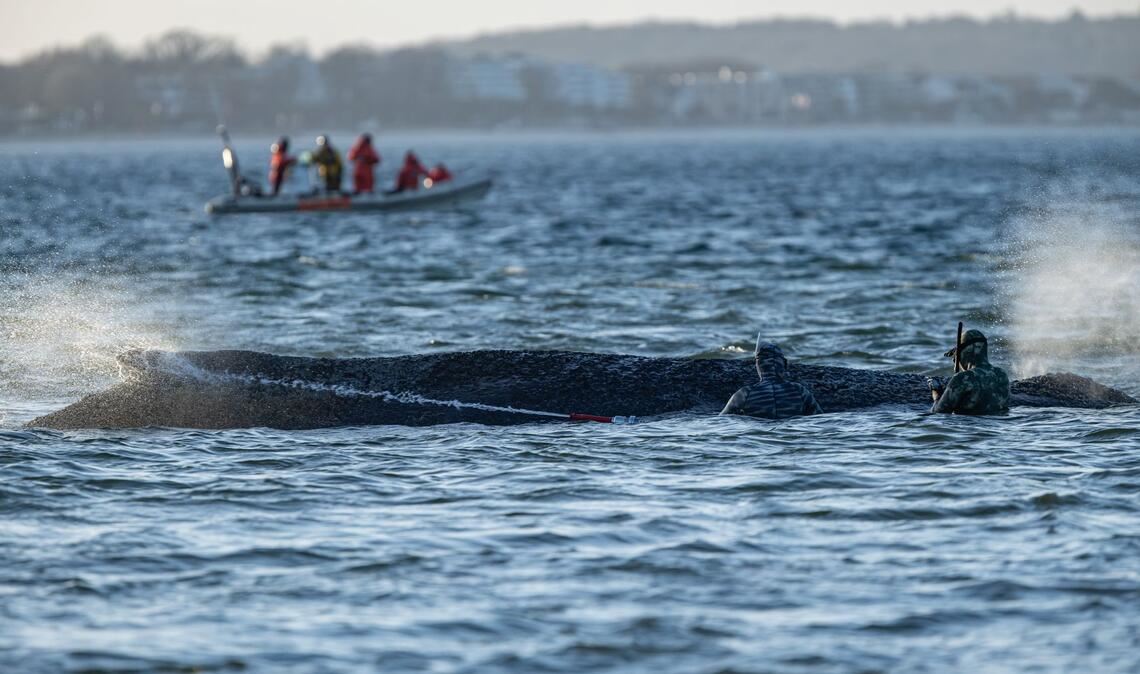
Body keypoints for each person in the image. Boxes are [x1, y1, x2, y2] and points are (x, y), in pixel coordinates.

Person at [721, 338, 823, 419]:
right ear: (784, 364)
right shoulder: (799, 390)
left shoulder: (745, 393)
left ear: (758, 366)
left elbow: (722, 421)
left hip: (760, 440)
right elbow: (819, 419)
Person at [927, 328, 1010, 415]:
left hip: (967, 426)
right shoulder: (1002, 374)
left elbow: (939, 412)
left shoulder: (963, 378)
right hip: (996, 426)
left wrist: (936, 392)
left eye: (956, 355)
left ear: (965, 352)